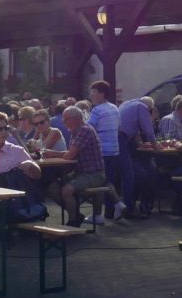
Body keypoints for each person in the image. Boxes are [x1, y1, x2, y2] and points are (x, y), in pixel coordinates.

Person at [43, 106, 105, 228]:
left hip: (94, 174)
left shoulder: (84, 130)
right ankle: (76, 214)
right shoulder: (75, 131)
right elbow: (70, 153)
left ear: (75, 119)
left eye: (65, 119)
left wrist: (53, 153)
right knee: (52, 188)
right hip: (80, 173)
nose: (63, 122)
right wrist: (52, 152)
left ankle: (73, 221)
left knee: (67, 190)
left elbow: (70, 156)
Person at [86, 81, 126, 222]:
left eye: (94, 92)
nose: (91, 95)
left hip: (101, 150)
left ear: (101, 94)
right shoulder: (115, 108)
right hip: (114, 150)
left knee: (100, 182)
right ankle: (114, 206)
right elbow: (119, 127)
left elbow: (88, 129)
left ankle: (100, 214)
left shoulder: (97, 110)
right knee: (106, 180)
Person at [118, 93, 158, 218]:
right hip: (122, 140)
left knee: (145, 171)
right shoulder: (141, 107)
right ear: (149, 108)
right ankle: (130, 208)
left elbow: (132, 127)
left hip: (119, 140)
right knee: (131, 175)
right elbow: (148, 129)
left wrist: (140, 142)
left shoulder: (127, 104)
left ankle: (126, 207)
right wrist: (156, 145)